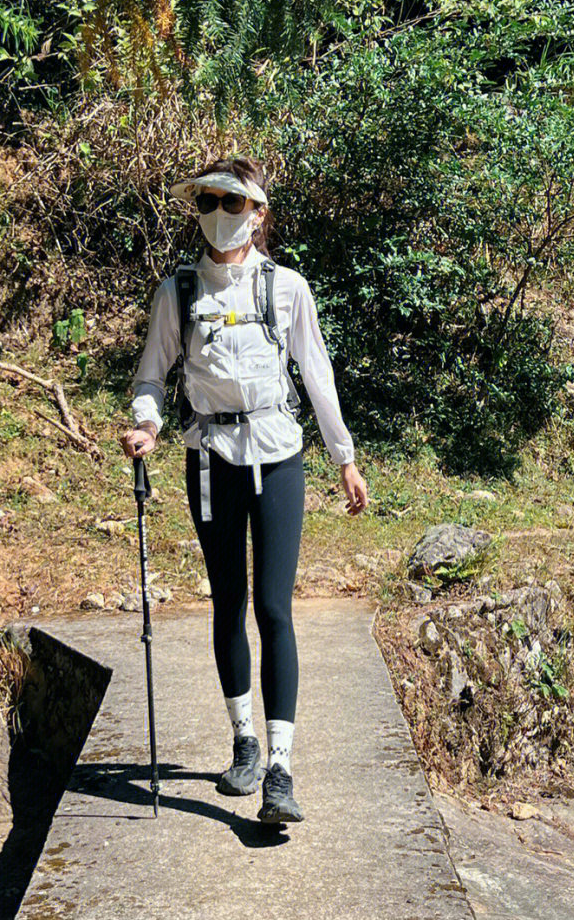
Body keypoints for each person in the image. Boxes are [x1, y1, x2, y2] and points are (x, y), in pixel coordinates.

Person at [121, 154, 369, 825]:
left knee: (274, 608)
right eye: (207, 200)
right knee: (227, 601)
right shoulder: (177, 290)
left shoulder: (287, 287)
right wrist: (148, 425)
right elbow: (152, 375)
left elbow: (317, 374)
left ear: (258, 212)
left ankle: (282, 770)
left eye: (232, 203)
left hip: (279, 456)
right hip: (210, 458)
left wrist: (343, 457)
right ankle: (245, 743)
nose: (218, 214)